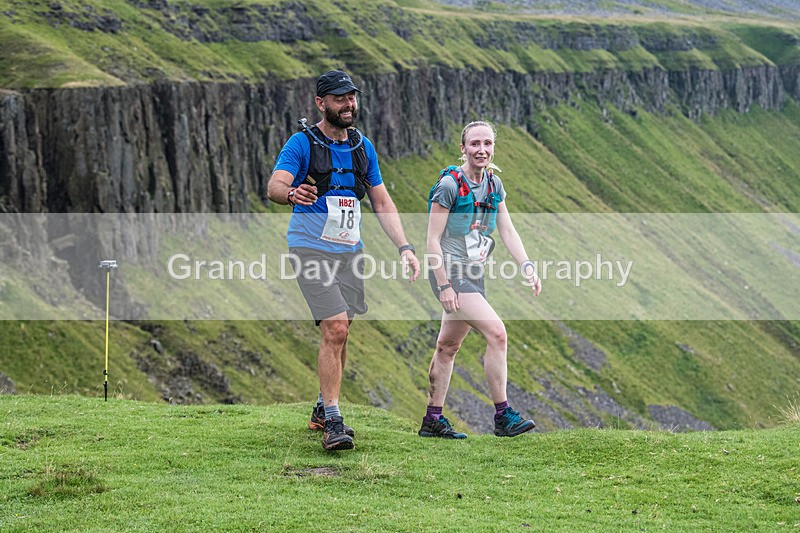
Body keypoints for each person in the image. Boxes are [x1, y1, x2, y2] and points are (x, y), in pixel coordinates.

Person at [268, 70, 420, 451]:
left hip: (349, 250)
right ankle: (334, 421)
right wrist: (291, 195)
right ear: (321, 103)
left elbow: (382, 201)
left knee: (343, 329)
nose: (349, 104)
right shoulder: (301, 143)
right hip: (310, 248)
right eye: (339, 98)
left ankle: (322, 407)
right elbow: (274, 185)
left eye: (352, 97)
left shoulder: (362, 147)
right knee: (335, 327)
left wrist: (404, 247)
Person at [420, 121, 542, 440]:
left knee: (448, 346)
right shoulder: (448, 186)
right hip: (451, 273)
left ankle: (432, 419)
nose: (482, 150)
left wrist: (526, 264)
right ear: (463, 148)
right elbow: (432, 239)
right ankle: (503, 415)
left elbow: (507, 229)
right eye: (475, 144)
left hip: (474, 272)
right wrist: (444, 285)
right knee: (497, 333)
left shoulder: (494, 184)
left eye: (487, 143)